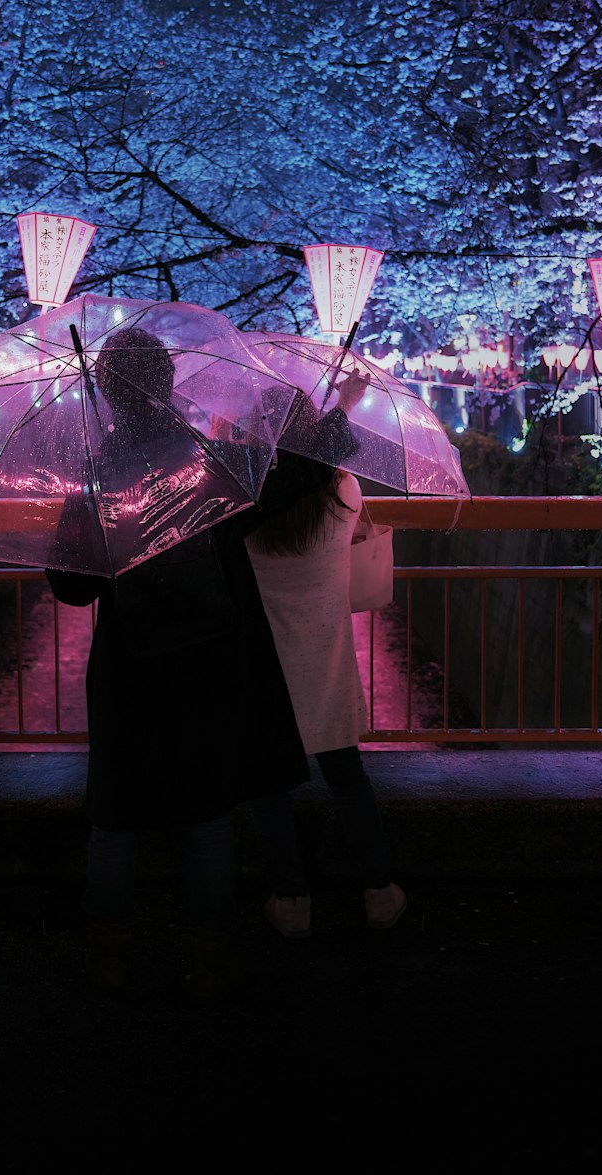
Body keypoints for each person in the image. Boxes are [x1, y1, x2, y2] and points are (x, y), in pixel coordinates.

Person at [44, 326, 310, 998]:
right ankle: (210, 952)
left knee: (115, 816)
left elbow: (70, 586)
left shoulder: (99, 478)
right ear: (165, 385)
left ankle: (109, 952)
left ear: (105, 390)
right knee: (209, 811)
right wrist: (315, 435)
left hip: (131, 674)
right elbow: (275, 489)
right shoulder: (207, 463)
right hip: (207, 665)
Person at [244, 373, 407, 940]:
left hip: (265, 662)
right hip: (326, 658)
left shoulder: (244, 502)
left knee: (269, 787)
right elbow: (315, 466)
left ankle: (291, 901)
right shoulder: (344, 492)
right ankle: (379, 891)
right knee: (348, 778)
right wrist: (341, 406)